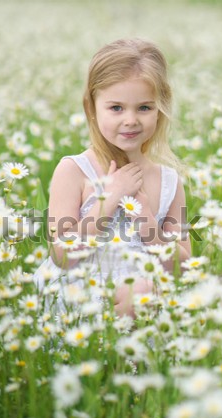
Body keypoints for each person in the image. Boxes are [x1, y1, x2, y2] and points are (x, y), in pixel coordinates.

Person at [33, 38, 191, 317]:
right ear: (91, 109)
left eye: (144, 108)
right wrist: (111, 198)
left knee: (143, 291)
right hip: (81, 299)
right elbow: (61, 255)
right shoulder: (74, 171)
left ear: (160, 109)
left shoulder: (169, 181)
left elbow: (183, 265)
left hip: (144, 300)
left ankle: (134, 359)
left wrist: (145, 219)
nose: (130, 120)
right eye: (116, 108)